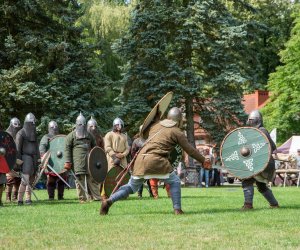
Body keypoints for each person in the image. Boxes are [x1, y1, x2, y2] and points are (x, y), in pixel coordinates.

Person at [100, 107, 211, 215]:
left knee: (131, 186)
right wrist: (203, 160)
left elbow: (147, 131)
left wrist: (156, 117)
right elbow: (190, 150)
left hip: (140, 161)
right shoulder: (177, 131)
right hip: (156, 160)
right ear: (179, 120)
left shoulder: (155, 126)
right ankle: (177, 209)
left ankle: (109, 201)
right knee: (175, 182)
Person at [241, 110, 279, 210]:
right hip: (261, 164)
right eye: (249, 119)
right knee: (261, 186)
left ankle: (248, 205)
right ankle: (274, 204)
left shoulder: (262, 131)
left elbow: (272, 147)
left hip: (263, 164)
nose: (249, 121)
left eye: (251, 120)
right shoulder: (257, 131)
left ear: (257, 120)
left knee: (247, 180)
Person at [64, 113, 100, 203]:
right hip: (77, 161)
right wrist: (68, 161)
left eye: (84, 124)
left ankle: (96, 197)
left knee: (92, 179)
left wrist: (96, 159)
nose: (82, 126)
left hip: (89, 160)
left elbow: (95, 148)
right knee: (79, 180)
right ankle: (82, 199)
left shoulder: (89, 135)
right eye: (80, 124)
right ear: (76, 124)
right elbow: (67, 149)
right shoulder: (71, 136)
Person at [101, 117, 130, 199]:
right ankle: (105, 194)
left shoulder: (124, 136)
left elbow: (127, 148)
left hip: (122, 158)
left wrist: (123, 154)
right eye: (117, 125)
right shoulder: (109, 135)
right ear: (114, 125)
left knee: (123, 177)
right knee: (109, 176)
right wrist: (114, 156)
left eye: (120, 125)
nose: (119, 126)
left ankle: (123, 194)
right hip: (112, 158)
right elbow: (107, 147)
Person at [16, 113, 40, 205]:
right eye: (32, 123)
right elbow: (18, 148)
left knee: (31, 180)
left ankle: (28, 199)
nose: (33, 124)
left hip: (34, 158)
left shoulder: (34, 133)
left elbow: (36, 148)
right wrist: (18, 160)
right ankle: (19, 200)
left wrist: (38, 159)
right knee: (25, 180)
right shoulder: (21, 133)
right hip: (25, 158)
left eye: (34, 123)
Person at [39, 120, 66, 200]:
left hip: (60, 161)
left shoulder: (60, 137)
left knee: (61, 180)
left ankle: (60, 196)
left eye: (56, 126)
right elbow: (42, 149)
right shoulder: (46, 137)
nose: (54, 128)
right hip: (50, 162)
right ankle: (51, 196)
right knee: (51, 181)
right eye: (52, 127)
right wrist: (44, 159)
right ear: (49, 128)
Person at [131, 127, 153, 198]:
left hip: (148, 161)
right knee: (140, 177)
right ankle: (139, 194)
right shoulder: (136, 141)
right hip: (139, 162)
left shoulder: (150, 140)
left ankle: (151, 194)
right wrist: (136, 159)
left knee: (149, 178)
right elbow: (133, 152)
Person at [5, 117, 22, 202]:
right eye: (15, 124)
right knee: (9, 179)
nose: (17, 126)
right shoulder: (6, 135)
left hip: (18, 160)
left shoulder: (20, 135)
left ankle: (15, 197)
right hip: (8, 160)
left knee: (17, 180)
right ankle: (8, 198)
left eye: (18, 125)